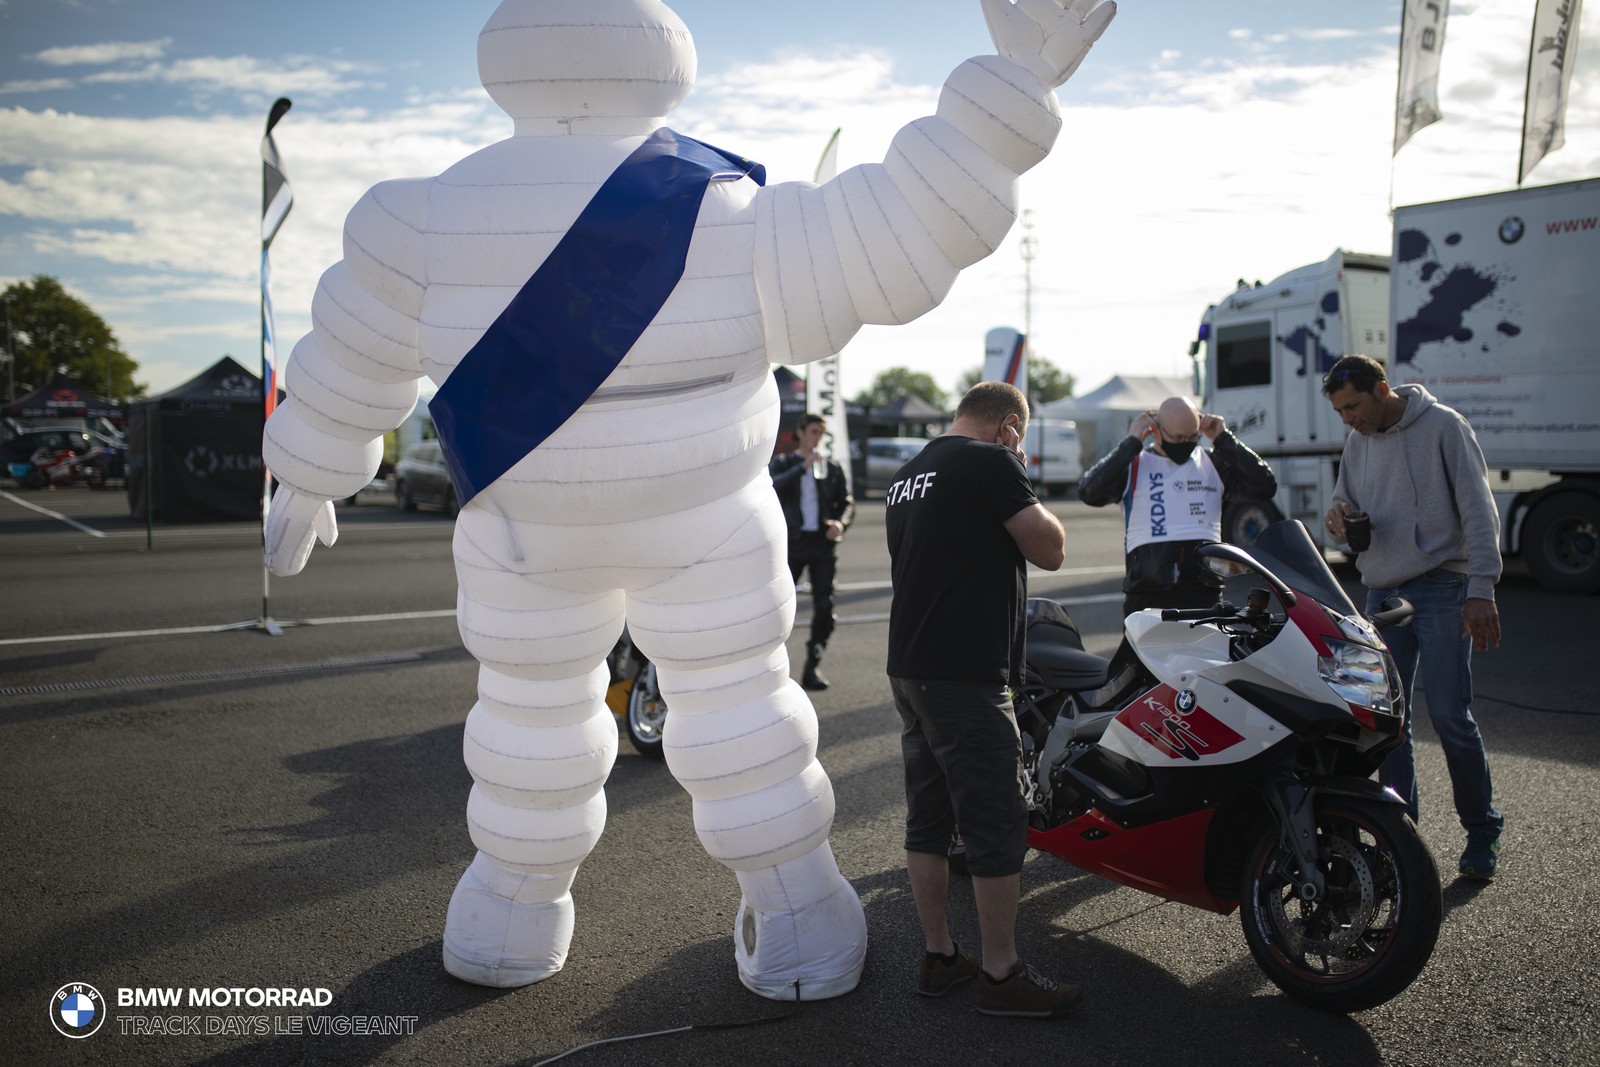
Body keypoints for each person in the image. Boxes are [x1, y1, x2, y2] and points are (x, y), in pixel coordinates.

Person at [885, 381, 1076, 1018]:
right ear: (1008, 427)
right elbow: (1050, 550)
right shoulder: (992, 460)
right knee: (996, 823)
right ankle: (1001, 973)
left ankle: (940, 956)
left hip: (910, 667)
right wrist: (1016, 467)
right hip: (965, 674)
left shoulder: (909, 473)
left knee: (929, 820)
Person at [1321, 354, 1505, 879]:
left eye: (1353, 406)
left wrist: (1482, 588)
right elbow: (1343, 499)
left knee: (1449, 716)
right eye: (1339, 412)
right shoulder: (1357, 441)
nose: (1348, 419)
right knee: (1383, 725)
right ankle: (1399, 841)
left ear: (1382, 390)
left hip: (1444, 585)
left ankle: (1483, 831)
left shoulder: (1445, 426)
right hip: (1381, 591)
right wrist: (1338, 515)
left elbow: (1479, 509)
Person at [1077, 396, 1277, 616]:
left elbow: (1265, 486)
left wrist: (1224, 439)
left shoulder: (1213, 463)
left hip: (1204, 593)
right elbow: (1089, 492)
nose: (1186, 443)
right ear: (1156, 430)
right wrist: (1131, 443)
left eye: (1193, 437)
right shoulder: (1134, 464)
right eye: (1179, 437)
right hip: (1147, 594)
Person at [770, 414, 855, 690]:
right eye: (813, 431)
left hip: (822, 544)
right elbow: (771, 487)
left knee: (825, 607)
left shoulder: (831, 466)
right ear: (801, 432)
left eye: (821, 433)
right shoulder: (785, 462)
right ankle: (768, 668)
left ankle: (812, 667)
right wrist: (801, 467)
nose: (817, 437)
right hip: (792, 543)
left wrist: (840, 523)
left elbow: (847, 502)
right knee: (776, 607)